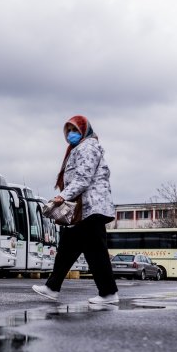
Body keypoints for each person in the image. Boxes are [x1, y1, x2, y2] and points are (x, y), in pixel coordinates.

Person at [32, 115, 118, 307]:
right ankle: (52, 287)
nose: (70, 134)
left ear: (84, 130)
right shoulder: (78, 148)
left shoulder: (88, 147)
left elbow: (83, 178)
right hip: (84, 208)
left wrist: (63, 195)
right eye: (68, 130)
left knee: (95, 251)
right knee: (68, 248)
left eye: (75, 130)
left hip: (91, 207)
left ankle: (108, 293)